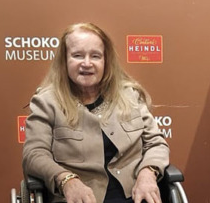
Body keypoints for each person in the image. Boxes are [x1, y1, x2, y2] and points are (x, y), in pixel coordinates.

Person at [23, 23, 169, 203]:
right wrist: (67, 180)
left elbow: (156, 143)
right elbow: (34, 154)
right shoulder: (47, 102)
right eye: (77, 55)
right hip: (79, 197)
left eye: (95, 56)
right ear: (64, 60)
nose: (87, 63)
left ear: (106, 61)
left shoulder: (129, 95)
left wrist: (148, 174)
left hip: (136, 195)